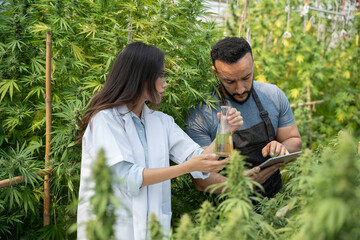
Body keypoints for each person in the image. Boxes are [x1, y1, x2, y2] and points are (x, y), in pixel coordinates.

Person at [77, 42, 243, 240]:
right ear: (141, 77)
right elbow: (128, 178)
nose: (165, 83)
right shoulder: (104, 121)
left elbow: (199, 158)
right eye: (161, 75)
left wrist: (225, 130)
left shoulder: (161, 122)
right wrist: (187, 167)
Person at [186, 37, 302, 198]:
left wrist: (281, 149)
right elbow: (201, 179)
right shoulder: (201, 113)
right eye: (230, 81)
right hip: (230, 212)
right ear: (216, 73)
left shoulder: (272, 95)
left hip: (274, 203)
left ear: (253, 63)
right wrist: (240, 185)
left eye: (246, 77)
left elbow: (295, 142)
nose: (240, 89)